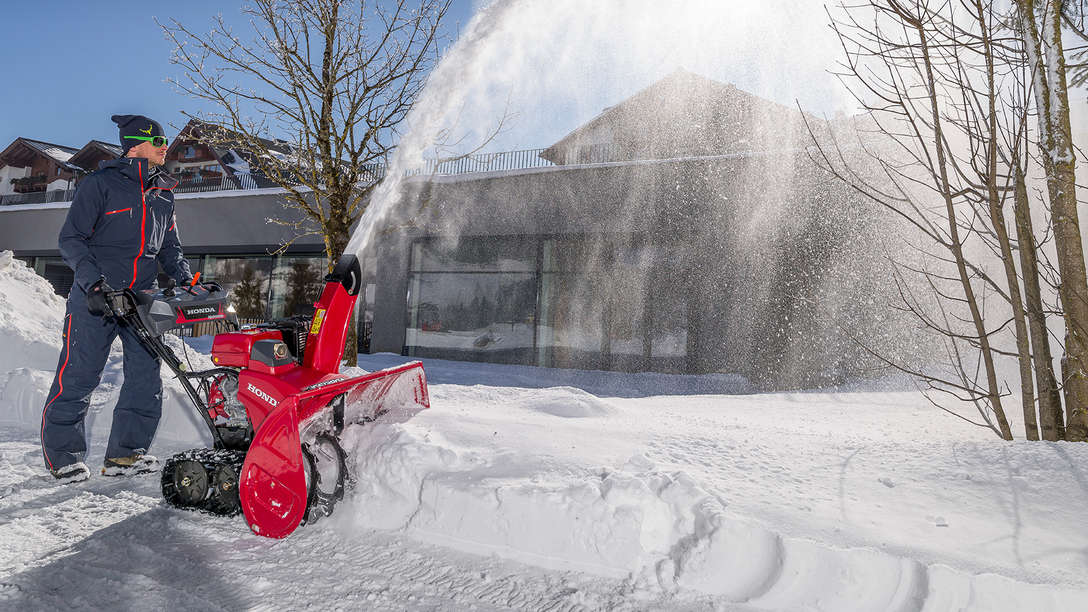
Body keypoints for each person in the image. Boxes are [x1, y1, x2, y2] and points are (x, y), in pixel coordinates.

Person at [41, 114, 191, 482]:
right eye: (158, 142)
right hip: (96, 297)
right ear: (136, 146)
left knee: (145, 379)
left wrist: (187, 278)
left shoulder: (163, 192)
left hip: (141, 297)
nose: (164, 148)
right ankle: (64, 458)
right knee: (79, 376)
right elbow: (71, 240)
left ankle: (125, 455)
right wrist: (95, 284)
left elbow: (169, 247)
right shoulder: (100, 185)